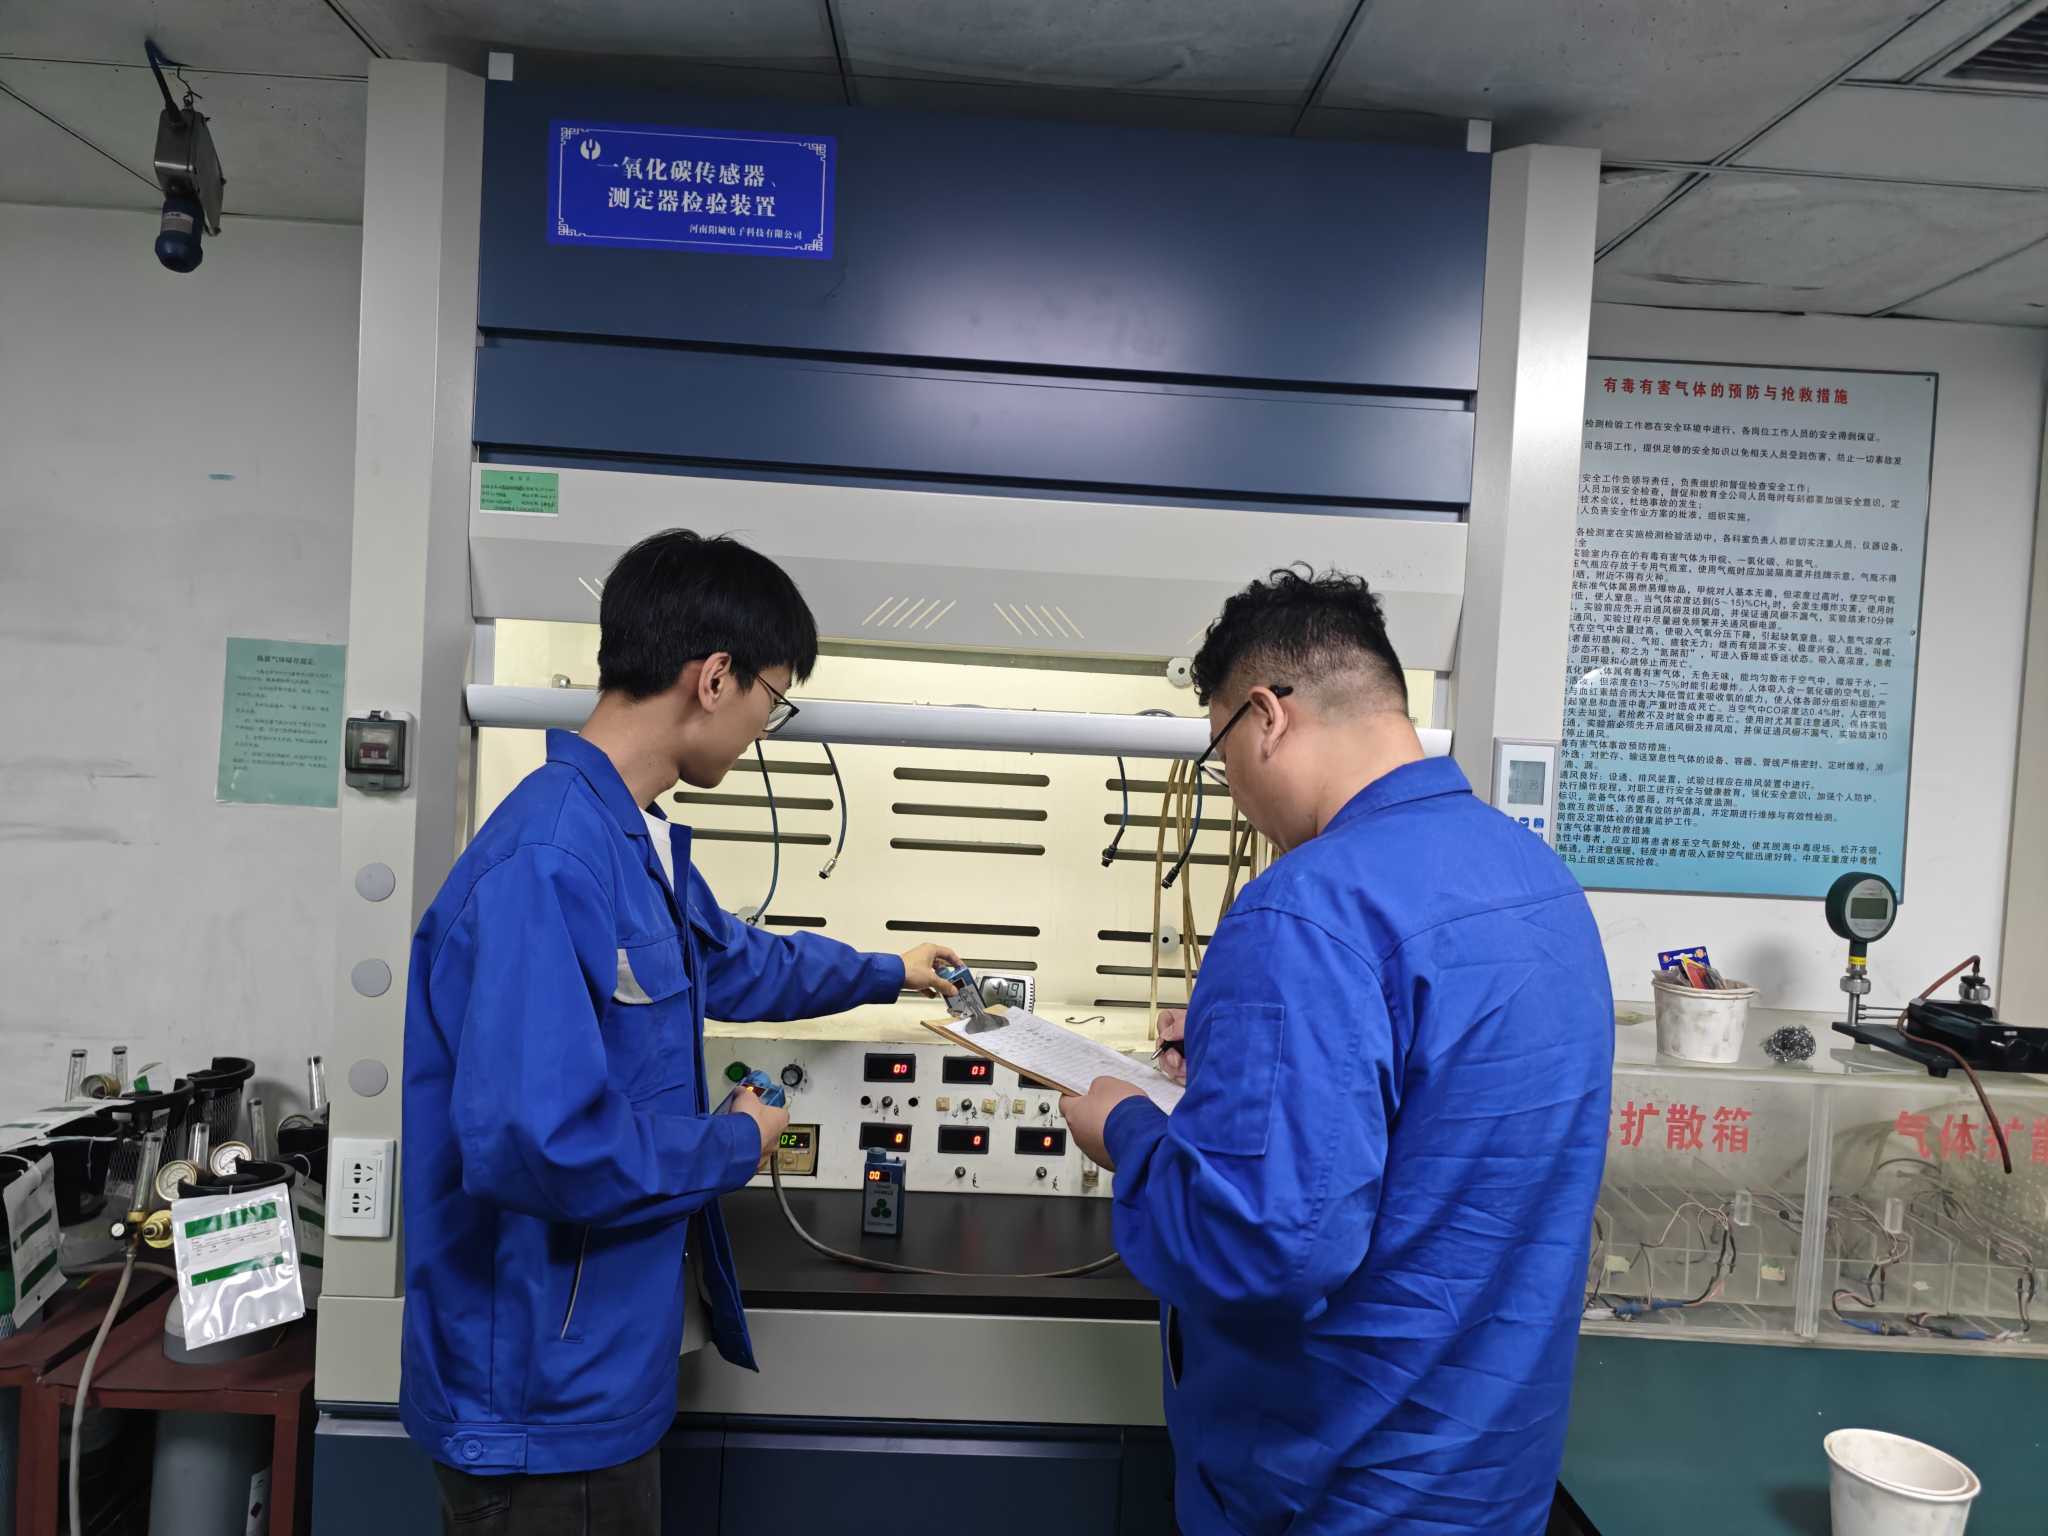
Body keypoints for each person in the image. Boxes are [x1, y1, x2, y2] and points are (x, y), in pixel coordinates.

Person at [400, 529, 961, 1533]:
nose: (761, 731)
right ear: (713, 678)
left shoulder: (626, 837)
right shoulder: (550, 862)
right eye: (770, 702)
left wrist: (889, 969)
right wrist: (735, 1140)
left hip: (597, 1364)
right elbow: (543, 1145)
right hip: (539, 1402)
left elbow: (735, 961)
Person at [1062, 567, 1613, 1536]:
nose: (1233, 792)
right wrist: (1237, 1066)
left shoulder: (1305, 908)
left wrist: (1130, 1131)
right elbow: (1442, 1130)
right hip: (1489, 1485)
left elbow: (1263, 1249)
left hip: (1338, 1491)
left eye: (1220, 754)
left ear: (1265, 717)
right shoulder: (1537, 879)